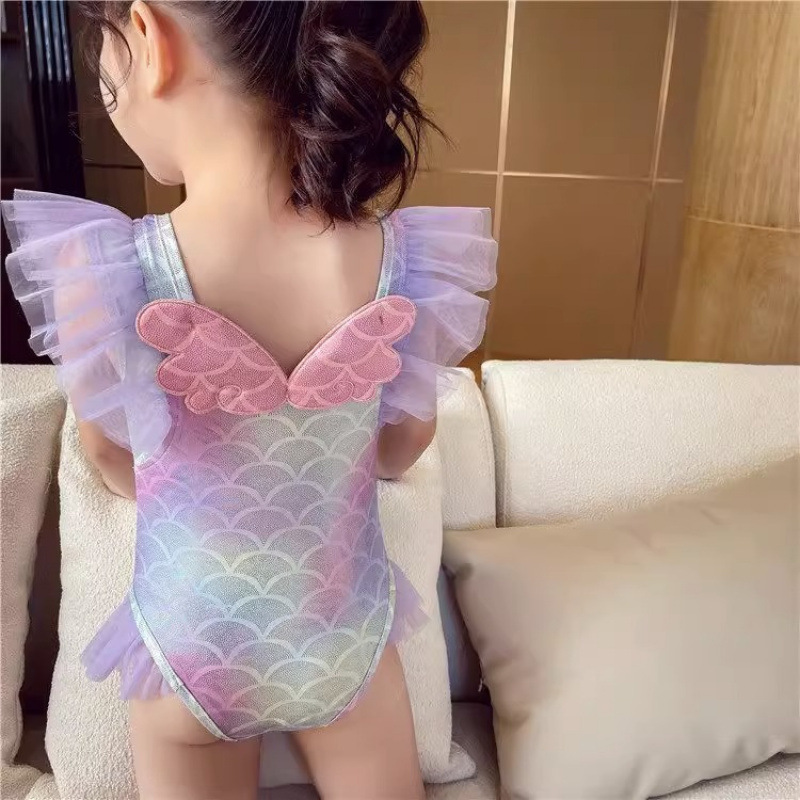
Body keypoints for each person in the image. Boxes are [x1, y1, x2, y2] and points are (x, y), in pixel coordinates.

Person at [2, 2, 497, 798]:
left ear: (149, 38)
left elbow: (110, 457)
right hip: (340, 640)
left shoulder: (108, 270)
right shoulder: (401, 260)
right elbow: (401, 448)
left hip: (190, 644)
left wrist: (189, 488)